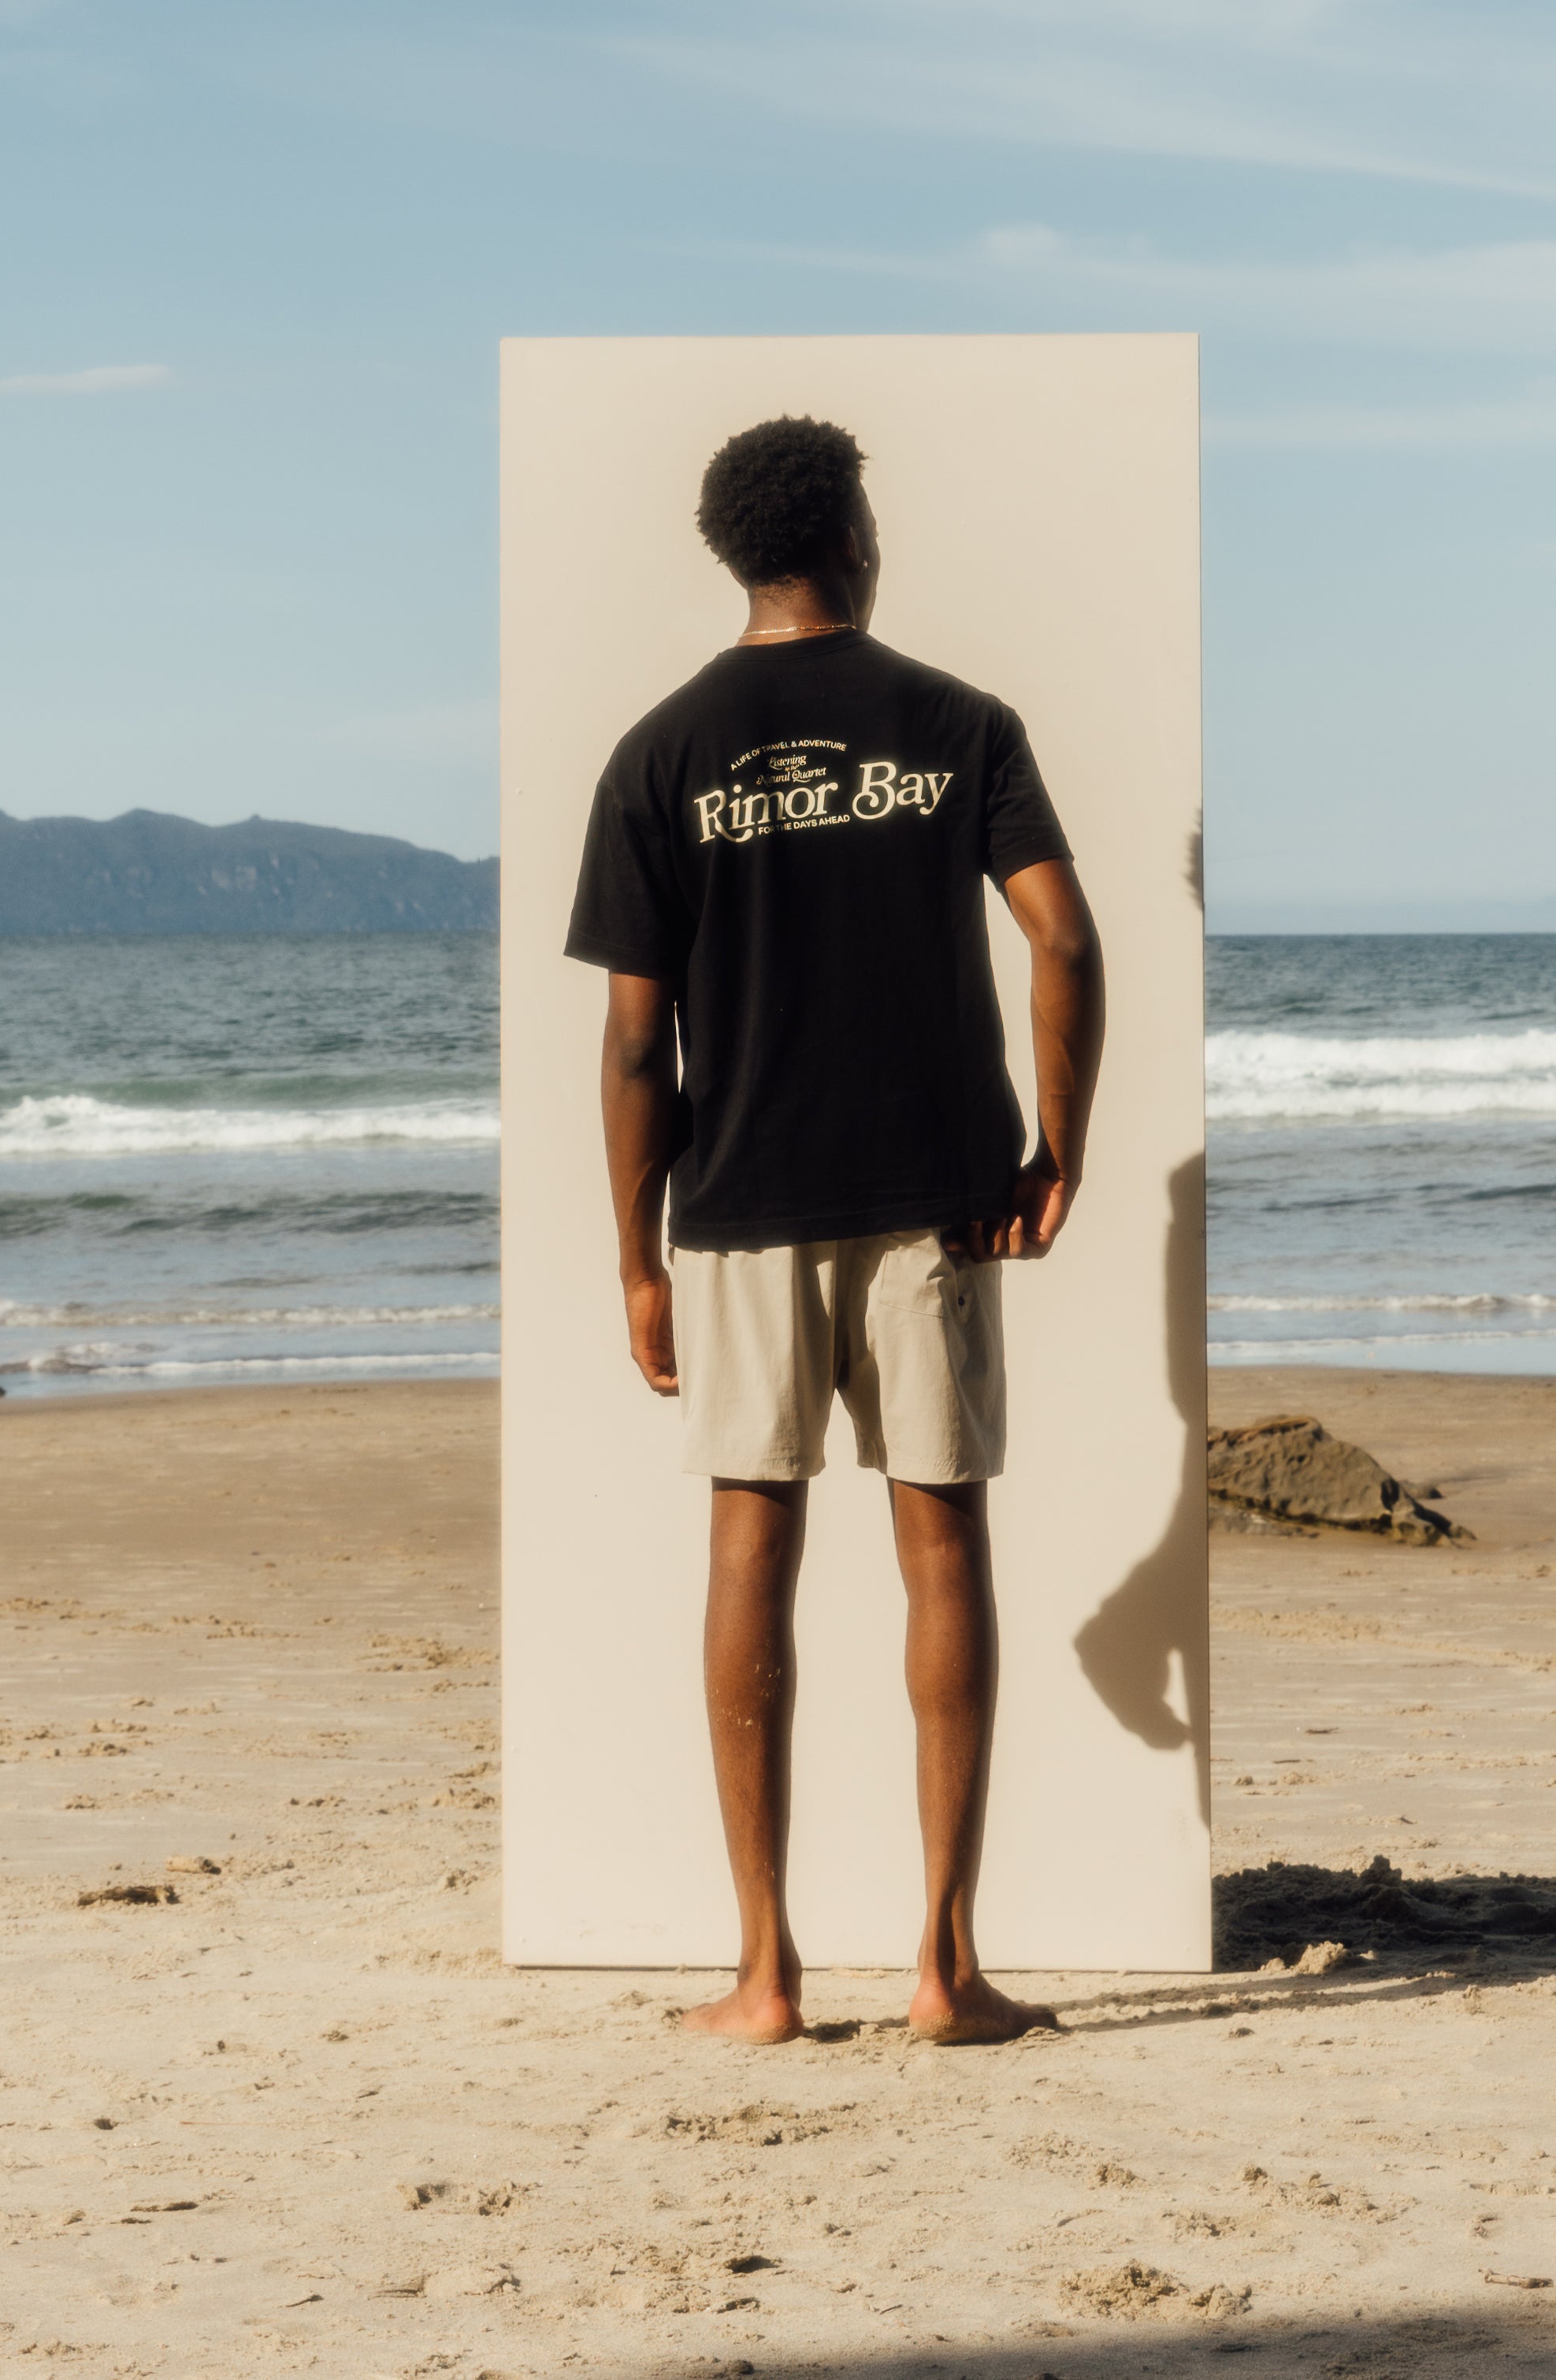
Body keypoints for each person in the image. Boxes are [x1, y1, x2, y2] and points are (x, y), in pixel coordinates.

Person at [565, 414, 1105, 2045]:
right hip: (934, 1192)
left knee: (751, 1538)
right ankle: (945, 1969)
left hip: (737, 1206)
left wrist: (634, 1251)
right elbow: (1063, 939)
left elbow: (632, 1040)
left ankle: (764, 1973)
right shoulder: (959, 723)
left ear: (739, 551)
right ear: (851, 531)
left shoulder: (659, 752)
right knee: (941, 1540)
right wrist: (1053, 1140)